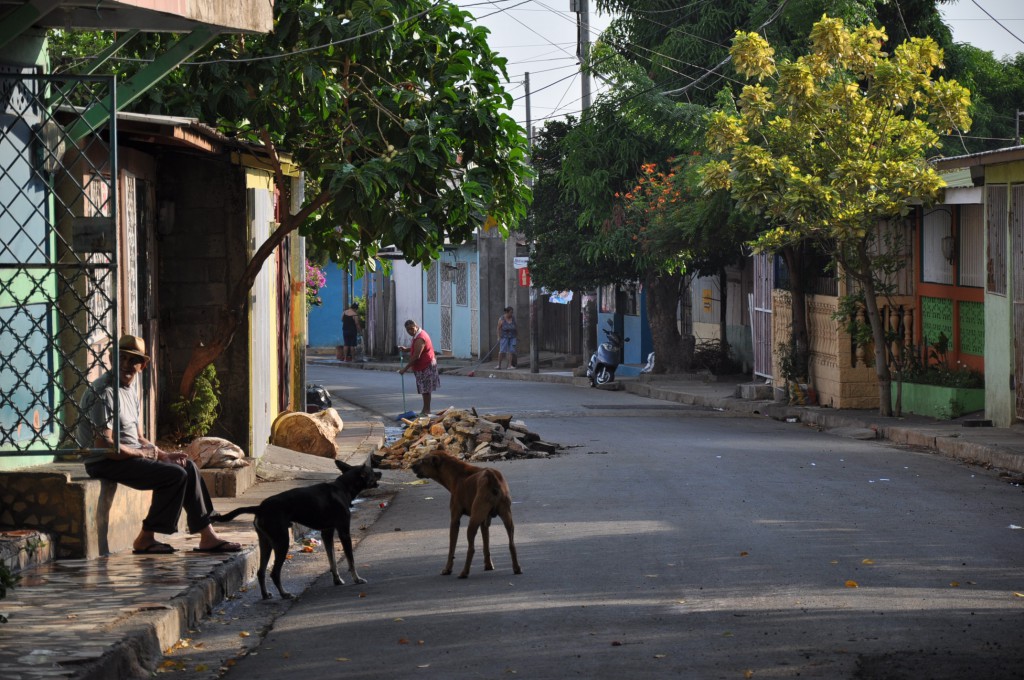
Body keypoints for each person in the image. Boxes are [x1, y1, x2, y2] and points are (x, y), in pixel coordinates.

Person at [77, 334, 241, 555]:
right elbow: (107, 446)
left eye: (132, 360)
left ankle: (207, 536)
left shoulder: (130, 391)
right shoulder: (104, 392)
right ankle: (146, 537)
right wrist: (145, 455)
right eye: (121, 358)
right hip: (105, 461)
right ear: (111, 359)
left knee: (188, 467)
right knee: (174, 475)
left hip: (128, 456)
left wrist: (163, 454)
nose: (126, 364)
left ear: (142, 365)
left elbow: (139, 437)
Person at [398, 320, 440, 416]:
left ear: (416, 326)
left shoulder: (420, 338)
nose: (410, 331)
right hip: (423, 365)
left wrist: (405, 369)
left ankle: (426, 411)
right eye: (408, 330)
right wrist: (407, 349)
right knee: (424, 389)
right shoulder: (417, 335)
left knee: (425, 390)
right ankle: (425, 410)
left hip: (426, 366)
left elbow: (417, 356)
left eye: (411, 328)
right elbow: (417, 347)